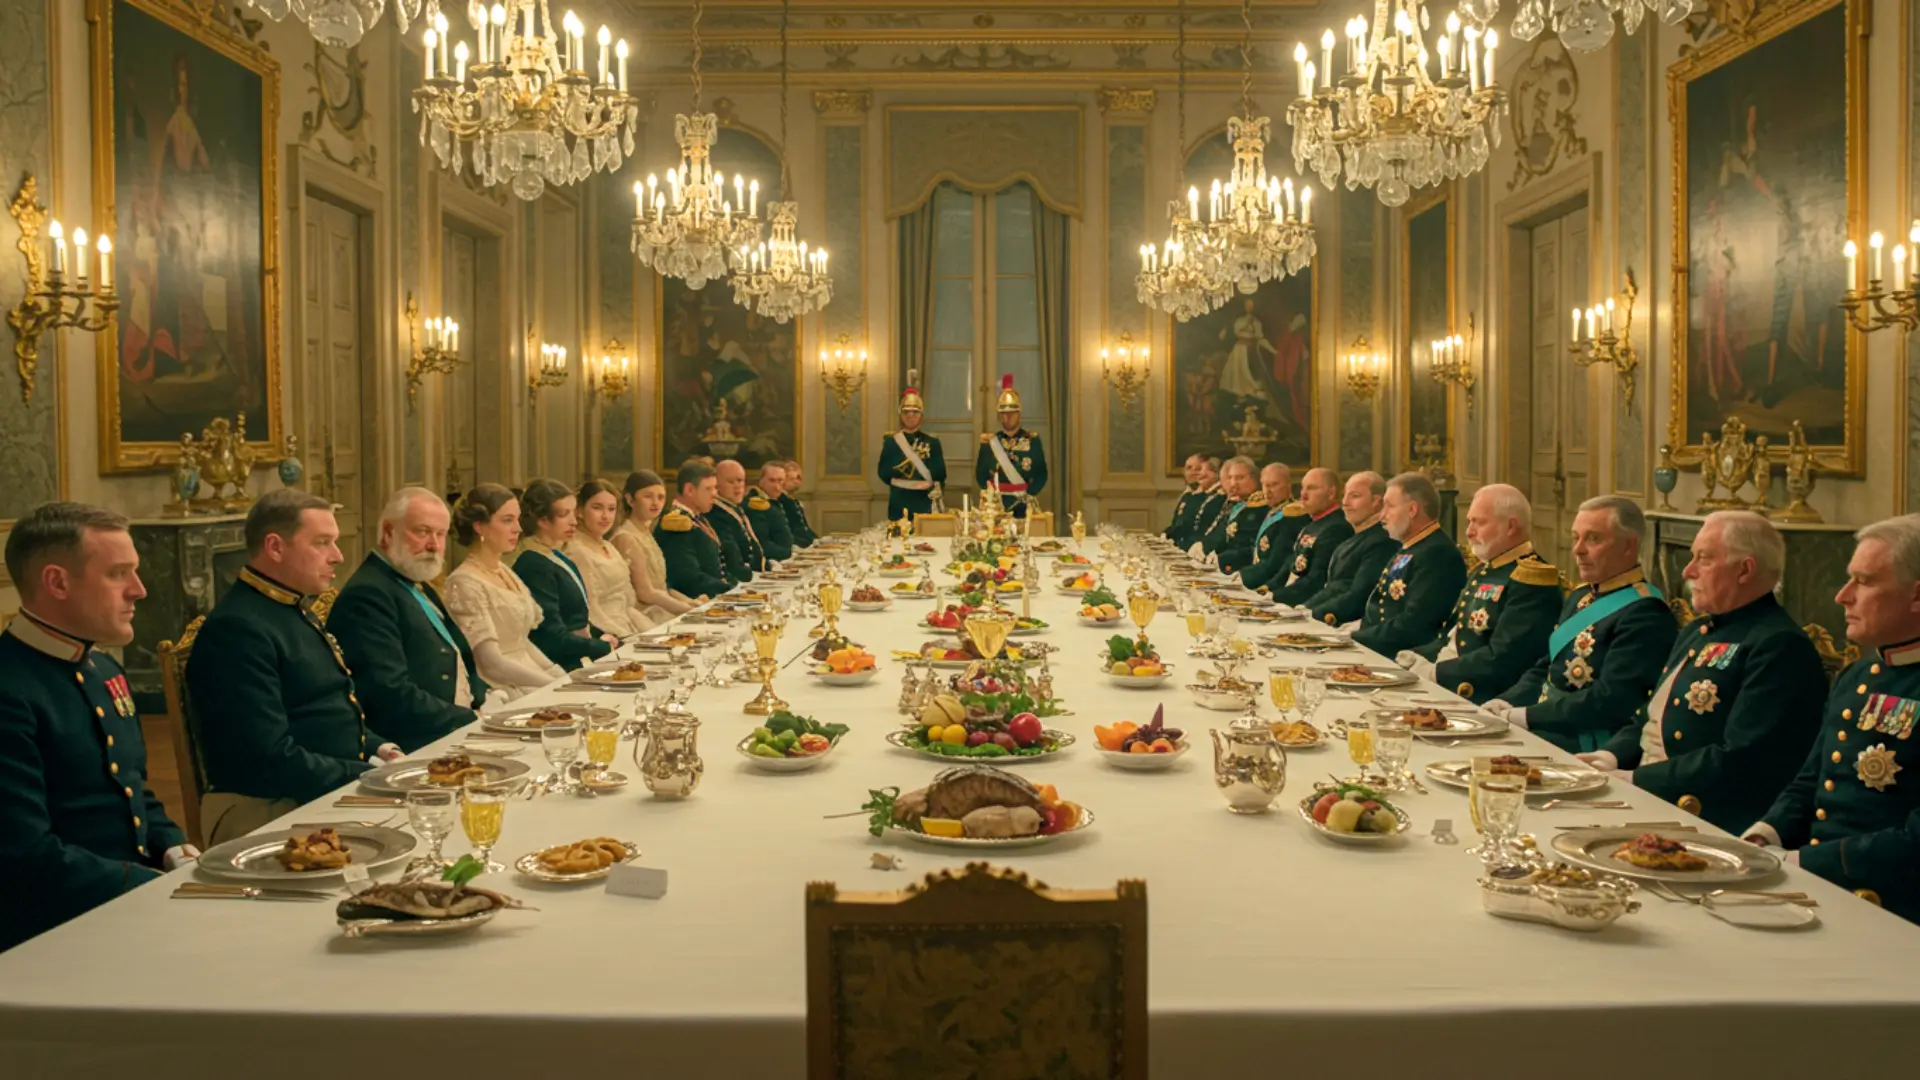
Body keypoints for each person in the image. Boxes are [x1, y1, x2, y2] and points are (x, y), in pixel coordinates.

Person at [0, 503, 193, 953]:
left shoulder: (102, 667)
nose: (139, 591)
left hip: (123, 903)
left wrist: (173, 847)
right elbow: (25, 855)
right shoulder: (10, 690)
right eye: (118, 573)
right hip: (51, 932)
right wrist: (151, 886)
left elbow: (132, 788)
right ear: (57, 582)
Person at [1570, 512, 1822, 832]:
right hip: (1648, 789)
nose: (1688, 571)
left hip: (1698, 810)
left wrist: (1636, 778)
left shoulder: (1778, 645)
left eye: (1703, 558)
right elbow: (1649, 716)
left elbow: (1740, 758)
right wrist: (1610, 756)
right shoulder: (1699, 630)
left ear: (1744, 570)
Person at [188, 490, 401, 846]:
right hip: (262, 808)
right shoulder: (238, 629)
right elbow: (267, 757)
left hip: (317, 790)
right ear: (275, 547)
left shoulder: (290, 607)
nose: (338, 556)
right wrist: (366, 775)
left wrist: (381, 750)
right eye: (322, 543)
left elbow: (327, 710)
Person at [1745, 514, 1920, 922]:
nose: (1842, 596)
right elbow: (1812, 778)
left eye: (1865, 581)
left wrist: (1800, 862)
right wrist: (1764, 834)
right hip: (1821, 879)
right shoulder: (1859, 675)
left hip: (1891, 905)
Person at [1486, 496, 1677, 754]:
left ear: (1629, 546)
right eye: (1575, 537)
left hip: (1587, 741)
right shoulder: (1581, 595)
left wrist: (1526, 716)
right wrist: (1505, 701)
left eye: (1593, 539)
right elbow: (1548, 666)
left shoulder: (1646, 613)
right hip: (1549, 725)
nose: (1577, 549)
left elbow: (1609, 701)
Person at [326, 487, 488, 754]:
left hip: (452, 727)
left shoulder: (412, 582)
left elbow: (458, 652)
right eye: (422, 532)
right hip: (417, 743)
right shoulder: (368, 594)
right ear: (388, 532)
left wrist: (481, 700)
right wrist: (468, 720)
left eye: (441, 534)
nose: (434, 545)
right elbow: (388, 693)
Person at [1397, 484, 1559, 704]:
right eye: (1469, 521)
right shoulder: (1485, 570)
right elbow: (1454, 638)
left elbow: (1504, 658)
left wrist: (1438, 672)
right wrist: (1417, 656)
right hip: (1450, 681)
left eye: (1479, 522)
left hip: (1478, 693)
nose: (1468, 531)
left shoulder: (1530, 580)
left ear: (1511, 527)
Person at [443, 483, 566, 699]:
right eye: (507, 520)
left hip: (530, 677)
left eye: (517, 519)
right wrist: (551, 684)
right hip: (501, 689)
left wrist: (559, 676)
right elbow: (491, 663)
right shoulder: (464, 583)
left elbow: (521, 642)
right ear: (479, 526)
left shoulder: (504, 571)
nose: (518, 528)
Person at [1353, 473, 1467, 656]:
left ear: (1412, 509)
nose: (1382, 515)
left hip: (1401, 656)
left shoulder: (1438, 554)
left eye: (1389, 506)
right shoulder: (1412, 547)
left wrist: (1357, 638)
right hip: (1378, 647)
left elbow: (1415, 624)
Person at [512, 478, 617, 671]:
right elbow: (551, 636)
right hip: (560, 663)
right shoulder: (533, 564)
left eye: (573, 512)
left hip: (579, 654)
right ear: (542, 520)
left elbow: (578, 616)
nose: (574, 521)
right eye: (564, 514)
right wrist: (599, 647)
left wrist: (603, 636)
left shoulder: (556, 555)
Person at [1300, 471, 1398, 627]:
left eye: (1355, 496)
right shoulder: (1357, 537)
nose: (1345, 502)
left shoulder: (1382, 541)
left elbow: (1358, 596)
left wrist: (1310, 615)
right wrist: (1304, 609)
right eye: (1345, 495)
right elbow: (1333, 588)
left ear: (1376, 501)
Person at [565, 478, 659, 638]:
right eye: (597, 508)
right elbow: (592, 611)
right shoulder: (576, 550)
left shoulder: (608, 547)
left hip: (628, 625)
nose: (605, 516)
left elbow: (626, 603)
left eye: (611, 509)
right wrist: (624, 638)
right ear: (579, 511)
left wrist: (652, 635)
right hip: (604, 632)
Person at [610, 470, 698, 616]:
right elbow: (645, 593)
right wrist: (687, 610)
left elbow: (661, 586)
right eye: (648, 496)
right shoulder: (626, 537)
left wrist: (689, 602)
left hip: (661, 607)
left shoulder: (646, 533)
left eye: (661, 497)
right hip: (644, 614)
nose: (656, 503)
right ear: (630, 499)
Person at [1267, 467, 1353, 605]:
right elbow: (1291, 567)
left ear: (1331, 493)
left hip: (1305, 605)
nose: (1303, 495)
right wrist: (1266, 591)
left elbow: (1315, 581)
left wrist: (1272, 598)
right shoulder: (1313, 523)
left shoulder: (1337, 528)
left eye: (1312, 488)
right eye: (1302, 488)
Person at [657, 460, 734, 599]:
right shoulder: (676, 523)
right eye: (708, 489)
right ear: (689, 490)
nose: (715, 494)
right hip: (693, 602)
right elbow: (687, 578)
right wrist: (730, 590)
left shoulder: (697, 518)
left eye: (715, 488)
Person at [975, 375, 1048, 518]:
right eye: (1004, 413)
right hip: (996, 506)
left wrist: (1029, 494)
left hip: (1024, 504)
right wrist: (991, 498)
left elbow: (1041, 474)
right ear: (999, 416)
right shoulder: (990, 443)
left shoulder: (1032, 440)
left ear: (1019, 414)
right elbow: (980, 475)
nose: (1008, 416)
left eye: (1012, 413)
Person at [879, 371, 947, 522]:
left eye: (915, 412)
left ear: (921, 415)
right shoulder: (891, 442)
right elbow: (883, 472)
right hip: (899, 501)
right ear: (900, 415)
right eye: (906, 412)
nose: (910, 415)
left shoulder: (932, 443)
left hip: (924, 501)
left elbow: (940, 473)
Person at [1238, 463, 1307, 593]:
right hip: (1257, 580)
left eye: (1274, 485)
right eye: (1265, 485)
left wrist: (1242, 578)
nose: (1267, 491)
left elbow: (1275, 563)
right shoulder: (1270, 510)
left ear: (1288, 485)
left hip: (1273, 587)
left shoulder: (1294, 516)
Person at [1193, 456, 1261, 570]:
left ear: (1255, 479)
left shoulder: (1261, 507)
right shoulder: (1236, 504)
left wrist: (1222, 558)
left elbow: (1251, 547)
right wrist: (1203, 546)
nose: (1233, 484)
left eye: (1240, 478)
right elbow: (1219, 534)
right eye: (1230, 478)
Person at [709, 460, 765, 582]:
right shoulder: (716, 513)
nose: (737, 486)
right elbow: (731, 556)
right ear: (716, 485)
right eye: (731, 481)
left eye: (740, 480)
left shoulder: (735, 508)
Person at [745, 463, 796, 564]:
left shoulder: (776, 500)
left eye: (780, 481)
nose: (777, 486)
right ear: (761, 481)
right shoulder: (755, 504)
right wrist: (788, 553)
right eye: (772, 481)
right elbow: (761, 543)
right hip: (769, 562)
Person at [1174, 458, 1226, 548]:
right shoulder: (1201, 495)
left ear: (1217, 473)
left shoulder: (1220, 497)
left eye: (1202, 470)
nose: (1199, 475)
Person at [1164, 454, 1211, 542]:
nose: (1192, 472)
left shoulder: (1209, 498)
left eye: (1198, 469)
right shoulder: (1187, 496)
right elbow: (1177, 524)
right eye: (1189, 468)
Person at [778, 460, 817, 548]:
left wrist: (816, 540)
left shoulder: (792, 501)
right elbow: (791, 529)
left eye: (800, 478)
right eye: (795, 478)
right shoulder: (782, 501)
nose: (798, 482)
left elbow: (804, 528)